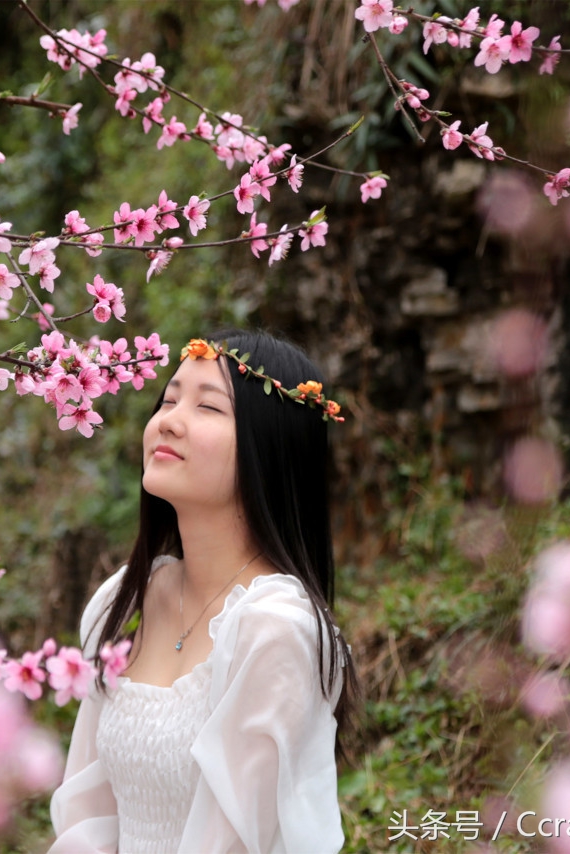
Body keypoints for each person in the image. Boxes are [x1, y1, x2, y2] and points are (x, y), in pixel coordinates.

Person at [49, 328, 358, 853]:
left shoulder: (274, 630)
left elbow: (234, 842)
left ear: (270, 446)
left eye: (208, 408)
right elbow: (87, 812)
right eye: (168, 399)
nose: (167, 420)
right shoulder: (124, 602)